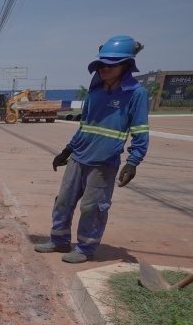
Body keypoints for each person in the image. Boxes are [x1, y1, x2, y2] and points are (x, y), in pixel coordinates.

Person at [34, 35, 149, 264]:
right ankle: (59, 240)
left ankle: (85, 248)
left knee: (92, 207)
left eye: (112, 64)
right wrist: (67, 150)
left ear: (126, 65)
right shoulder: (94, 91)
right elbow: (85, 126)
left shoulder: (136, 93)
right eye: (101, 64)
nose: (105, 68)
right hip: (79, 157)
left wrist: (133, 161)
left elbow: (140, 131)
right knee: (63, 201)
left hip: (104, 162)